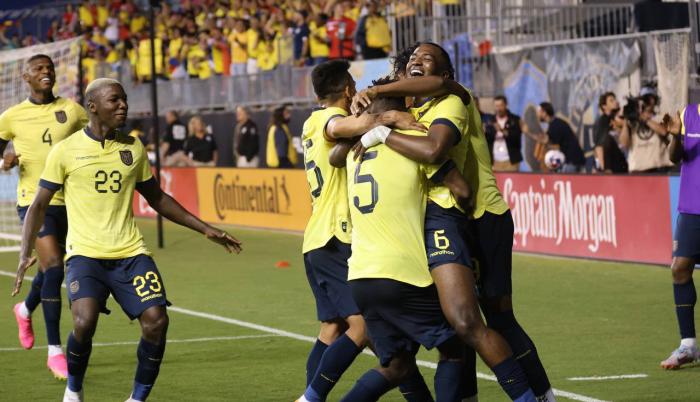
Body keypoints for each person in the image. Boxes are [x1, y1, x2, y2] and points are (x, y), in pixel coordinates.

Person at [11, 78, 242, 402]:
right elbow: (38, 205)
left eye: (124, 99)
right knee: (84, 322)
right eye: (114, 100)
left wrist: (205, 229)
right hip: (85, 256)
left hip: (131, 254)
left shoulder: (133, 148)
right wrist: (24, 252)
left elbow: (157, 197)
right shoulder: (65, 151)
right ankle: (74, 389)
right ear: (93, 107)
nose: (123, 105)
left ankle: (136, 399)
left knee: (156, 321)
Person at [352, 42, 553, 401]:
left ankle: (542, 396)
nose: (417, 62)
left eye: (426, 59)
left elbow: (435, 152)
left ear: (444, 74)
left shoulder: (454, 97)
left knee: (493, 319)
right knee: (459, 327)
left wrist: (379, 106)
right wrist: (377, 119)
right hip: (447, 219)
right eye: (413, 59)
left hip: (482, 216)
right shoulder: (415, 111)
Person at [2, 54, 89, 381]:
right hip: (33, 203)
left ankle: (25, 309)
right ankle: (55, 351)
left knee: (48, 268)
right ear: (25, 76)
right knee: (53, 266)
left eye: (49, 68)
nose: (46, 72)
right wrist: (4, 162)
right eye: (38, 69)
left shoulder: (73, 110)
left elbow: (95, 136)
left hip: (71, 202)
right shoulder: (11, 116)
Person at [660, 107, 700, 369]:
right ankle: (688, 345)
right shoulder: (688, 114)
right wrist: (675, 136)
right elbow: (675, 157)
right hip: (691, 208)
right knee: (680, 268)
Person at [619, 101, 673, 173]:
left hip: (658, 167)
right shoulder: (631, 124)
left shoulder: (658, 117)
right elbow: (624, 143)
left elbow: (664, 132)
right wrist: (626, 120)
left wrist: (645, 119)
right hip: (638, 169)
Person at [537, 102, 585, 173]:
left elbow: (555, 146)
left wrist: (546, 144)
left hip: (571, 161)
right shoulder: (555, 124)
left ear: (544, 113)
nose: (537, 114)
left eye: (539, 112)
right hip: (575, 160)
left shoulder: (555, 126)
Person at [485, 95, 524, 172]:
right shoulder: (490, 120)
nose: (498, 109)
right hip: (495, 161)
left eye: (501, 105)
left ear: (506, 105)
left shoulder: (515, 119)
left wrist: (502, 130)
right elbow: (487, 140)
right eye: (496, 106)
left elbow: (516, 137)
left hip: (511, 161)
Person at [593, 92, 628, 173]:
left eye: (615, 99)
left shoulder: (619, 120)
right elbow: (599, 146)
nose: (615, 102)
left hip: (621, 164)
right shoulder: (602, 122)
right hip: (610, 168)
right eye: (611, 100)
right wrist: (604, 169)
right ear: (604, 106)